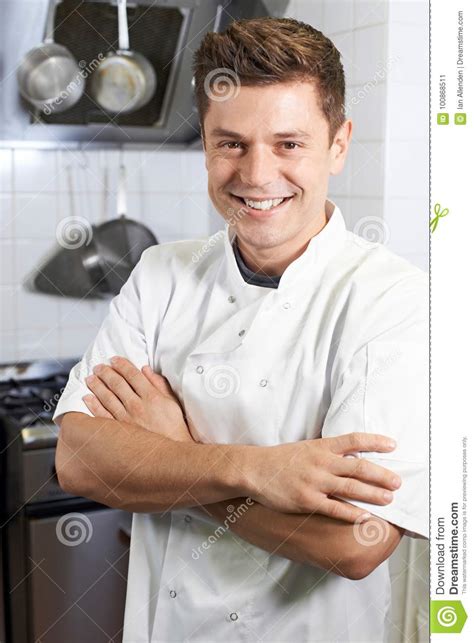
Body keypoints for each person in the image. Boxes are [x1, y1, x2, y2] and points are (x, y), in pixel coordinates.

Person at [54, 17, 428, 643]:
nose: (256, 176)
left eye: (288, 144)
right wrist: (257, 470)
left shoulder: (394, 300)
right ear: (204, 143)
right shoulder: (161, 273)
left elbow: (355, 544)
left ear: (339, 144)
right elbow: (81, 462)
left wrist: (177, 454)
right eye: (231, 143)